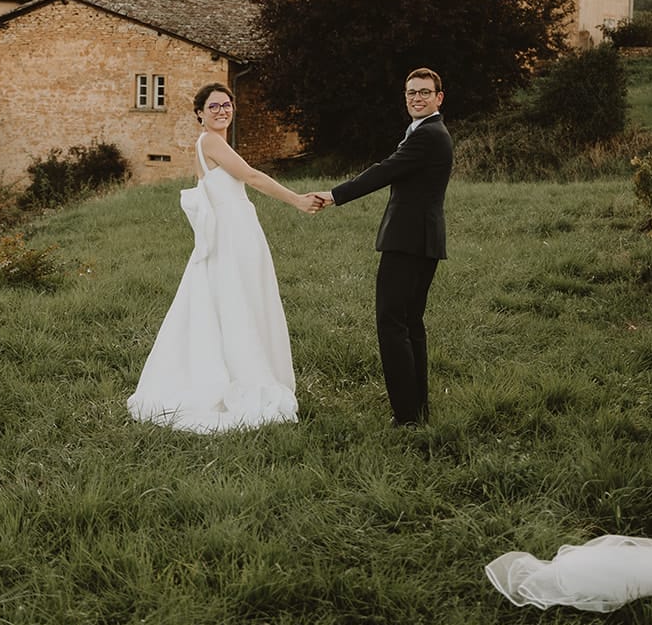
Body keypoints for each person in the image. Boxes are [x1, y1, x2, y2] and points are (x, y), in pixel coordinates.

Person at [128, 82, 322, 433]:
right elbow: (250, 176)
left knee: (233, 301)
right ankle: (241, 373)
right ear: (200, 114)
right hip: (233, 235)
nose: (221, 110)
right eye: (213, 106)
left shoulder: (210, 144)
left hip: (236, 231)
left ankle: (233, 364)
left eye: (226, 104)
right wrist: (296, 200)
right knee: (238, 301)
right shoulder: (210, 141)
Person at [310, 67, 452, 427]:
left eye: (423, 92)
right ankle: (417, 410)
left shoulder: (429, 135)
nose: (416, 98)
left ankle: (406, 416)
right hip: (423, 239)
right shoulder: (427, 132)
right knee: (409, 323)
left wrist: (335, 194)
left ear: (439, 97)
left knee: (392, 325)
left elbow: (383, 171)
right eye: (410, 93)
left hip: (408, 241)